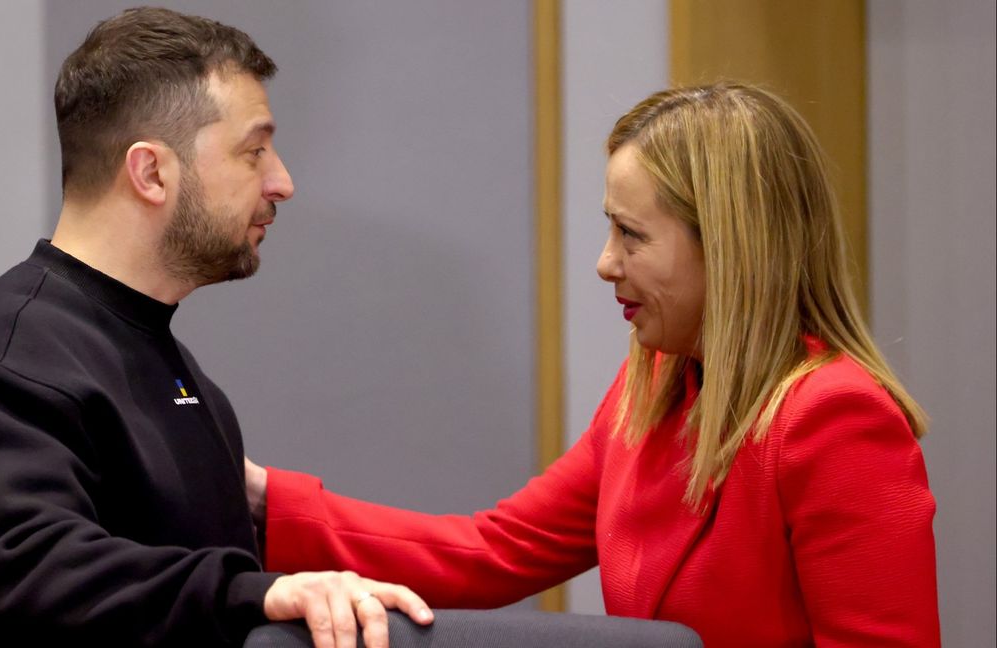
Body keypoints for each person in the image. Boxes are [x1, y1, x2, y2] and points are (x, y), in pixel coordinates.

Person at [247, 83, 941, 647]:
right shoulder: (655, 386)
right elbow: (495, 552)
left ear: (731, 249)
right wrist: (264, 499)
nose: (605, 263)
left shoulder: (835, 418)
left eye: (632, 235)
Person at [0, 8, 431, 648]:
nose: (281, 182)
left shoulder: (165, 361)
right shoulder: (11, 359)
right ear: (151, 172)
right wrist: (255, 592)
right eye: (253, 151)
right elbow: (28, 567)